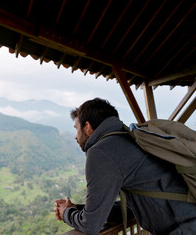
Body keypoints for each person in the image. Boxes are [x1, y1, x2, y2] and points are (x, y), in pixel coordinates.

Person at [54, 98, 196, 235]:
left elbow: (90, 225)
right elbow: (132, 207)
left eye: (77, 129)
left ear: (88, 127)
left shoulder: (101, 151)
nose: (75, 136)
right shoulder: (127, 138)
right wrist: (78, 209)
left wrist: (66, 213)